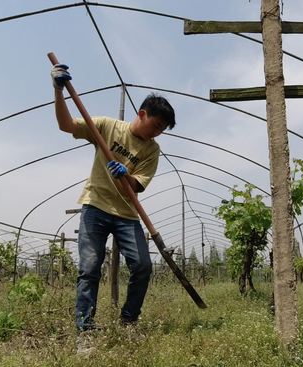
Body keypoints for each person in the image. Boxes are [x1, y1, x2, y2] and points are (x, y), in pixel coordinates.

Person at [51, 64, 176, 353]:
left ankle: (129, 322)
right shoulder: (106, 127)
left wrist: (126, 176)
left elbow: (135, 187)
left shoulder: (151, 151)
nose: (157, 134)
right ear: (142, 114)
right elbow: (66, 125)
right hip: (95, 206)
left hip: (127, 215)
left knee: (143, 266)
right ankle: (85, 333)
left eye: (162, 130)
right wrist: (58, 91)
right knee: (89, 269)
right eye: (156, 126)